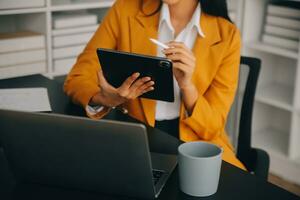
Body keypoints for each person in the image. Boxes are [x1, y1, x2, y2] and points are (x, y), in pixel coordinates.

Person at [64, 0, 246, 170]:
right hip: (135, 135)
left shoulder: (227, 35)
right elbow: (77, 78)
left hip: (197, 142)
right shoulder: (125, 10)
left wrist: (187, 86)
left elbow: (212, 126)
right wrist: (105, 98)